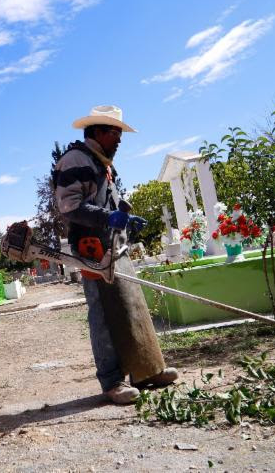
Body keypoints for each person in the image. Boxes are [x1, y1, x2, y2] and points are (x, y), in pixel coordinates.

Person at [53, 105, 178, 404]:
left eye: (120, 133)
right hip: (92, 250)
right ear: (97, 132)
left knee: (131, 307)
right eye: (115, 132)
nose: (120, 139)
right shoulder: (75, 160)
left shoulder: (102, 163)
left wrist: (123, 218)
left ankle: (147, 370)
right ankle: (111, 382)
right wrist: (106, 218)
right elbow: (68, 206)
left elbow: (111, 201)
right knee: (104, 314)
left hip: (114, 246)